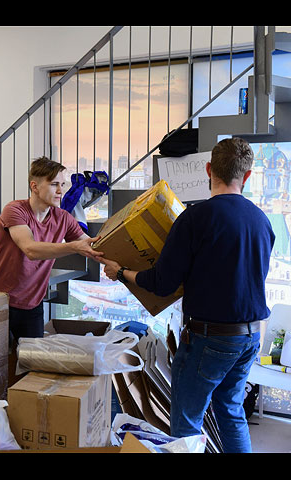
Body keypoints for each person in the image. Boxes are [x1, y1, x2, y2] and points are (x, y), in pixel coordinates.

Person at [100, 137, 275, 453]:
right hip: (249, 337)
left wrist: (121, 272)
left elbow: (162, 283)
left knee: (185, 423)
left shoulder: (195, 219)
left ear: (209, 170)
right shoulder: (262, 221)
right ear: (246, 176)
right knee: (231, 411)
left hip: (210, 338)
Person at [0, 156, 103, 347]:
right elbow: (30, 249)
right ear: (35, 186)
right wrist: (72, 247)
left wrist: (119, 267)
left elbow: (88, 246)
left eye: (62, 184)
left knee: (31, 368)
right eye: (54, 184)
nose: (60, 191)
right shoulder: (14, 210)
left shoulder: (63, 217)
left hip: (32, 305)